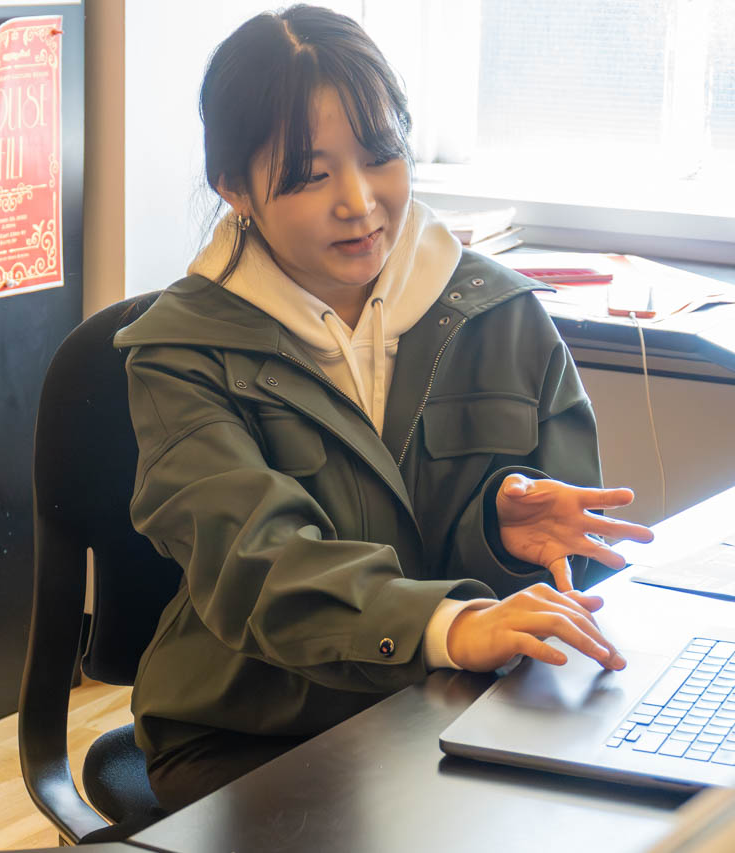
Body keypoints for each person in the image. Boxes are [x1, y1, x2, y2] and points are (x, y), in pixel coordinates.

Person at [113, 5, 655, 812]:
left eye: (380, 155)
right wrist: (444, 625)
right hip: (256, 729)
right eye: (309, 174)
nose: (360, 202)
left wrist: (498, 529)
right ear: (234, 188)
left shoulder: (497, 312)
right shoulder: (184, 351)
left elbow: (561, 578)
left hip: (461, 702)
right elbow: (258, 566)